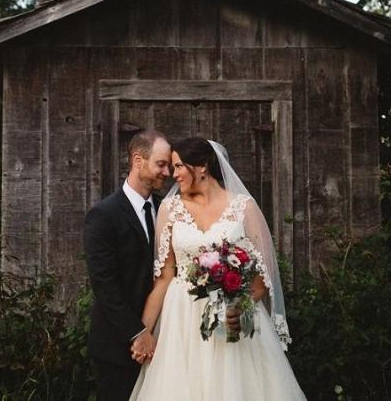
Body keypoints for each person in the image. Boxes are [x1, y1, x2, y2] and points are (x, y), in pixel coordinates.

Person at [127, 137, 306, 401]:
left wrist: (238, 306)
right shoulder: (170, 209)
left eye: (178, 167)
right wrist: (143, 332)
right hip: (182, 322)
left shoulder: (244, 208)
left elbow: (261, 281)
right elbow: (164, 278)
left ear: (201, 167)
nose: (173, 175)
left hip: (232, 317)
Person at [83, 130, 172, 401]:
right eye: (161, 164)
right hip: (117, 343)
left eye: (169, 165)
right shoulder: (104, 214)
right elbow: (103, 283)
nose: (167, 172)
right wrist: (137, 333)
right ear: (137, 160)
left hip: (163, 340)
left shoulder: (166, 210)